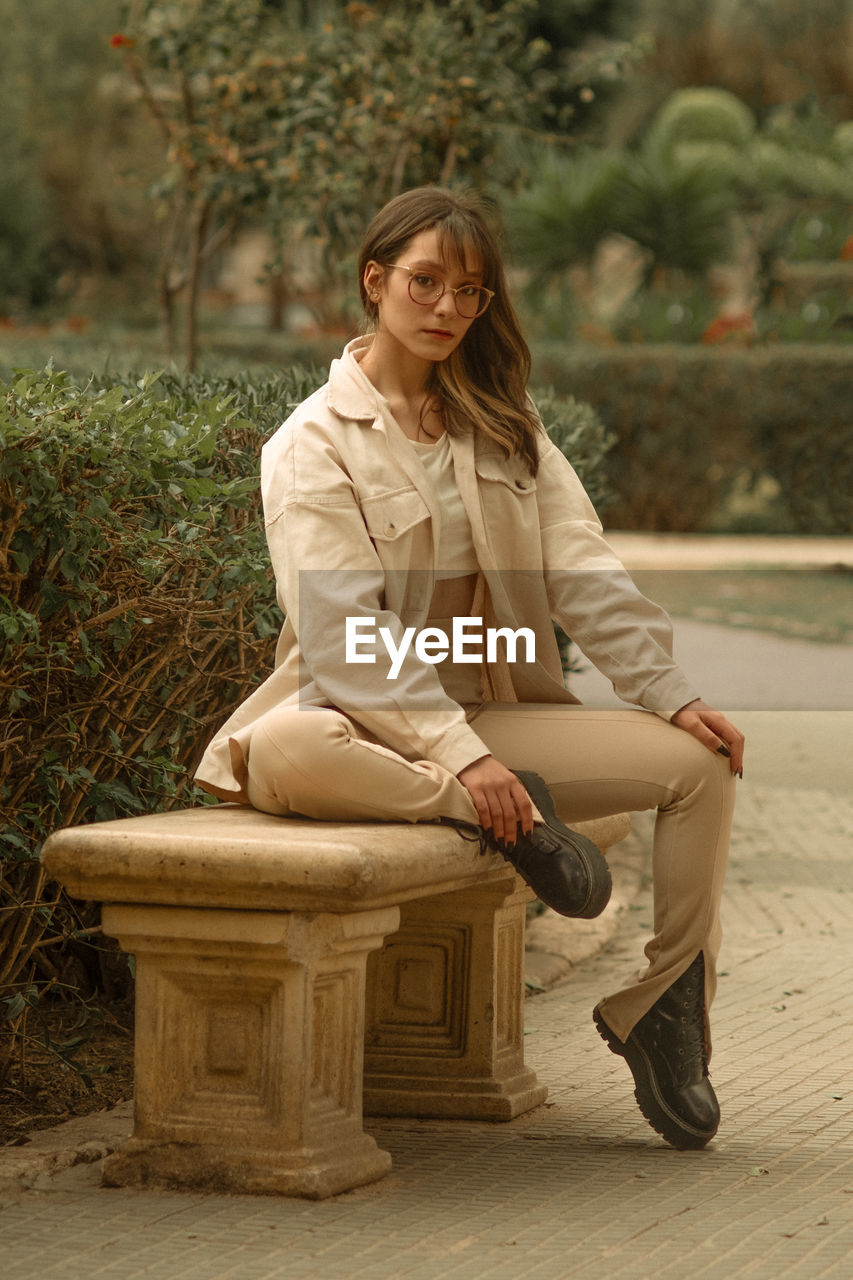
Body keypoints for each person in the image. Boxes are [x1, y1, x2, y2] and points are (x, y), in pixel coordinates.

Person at [195, 186, 744, 1151]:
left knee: (698, 765)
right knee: (276, 747)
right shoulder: (312, 445)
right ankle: (501, 816)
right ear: (375, 282)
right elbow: (341, 636)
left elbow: (579, 566)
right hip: (354, 724)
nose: (447, 307)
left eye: (471, 292)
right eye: (425, 282)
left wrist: (672, 692)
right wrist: (464, 769)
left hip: (487, 714)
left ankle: (662, 1002)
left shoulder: (502, 420)